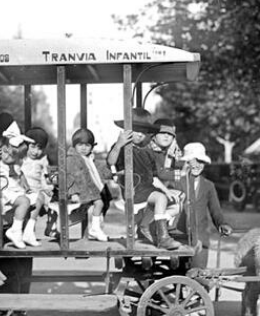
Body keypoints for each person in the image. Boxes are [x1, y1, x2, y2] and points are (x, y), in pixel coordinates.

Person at [107, 110, 183, 250]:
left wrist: (167, 191)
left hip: (147, 189)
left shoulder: (147, 152)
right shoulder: (123, 147)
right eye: (136, 130)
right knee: (159, 199)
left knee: (165, 199)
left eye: (144, 131)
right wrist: (118, 144)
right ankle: (162, 236)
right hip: (132, 190)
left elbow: (154, 177)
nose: (140, 134)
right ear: (127, 130)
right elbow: (111, 161)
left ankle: (161, 235)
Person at [0, 119, 44, 248]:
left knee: (39, 198)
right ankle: (15, 231)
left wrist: (26, 185)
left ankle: (28, 232)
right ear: (2, 147)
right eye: (8, 153)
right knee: (24, 201)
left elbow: (20, 174)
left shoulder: (14, 159)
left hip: (13, 191)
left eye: (14, 155)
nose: (11, 158)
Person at [176, 142, 232, 268]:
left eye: (200, 162)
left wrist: (222, 224)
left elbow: (215, 210)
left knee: (199, 276)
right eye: (193, 161)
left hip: (201, 238)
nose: (197, 165)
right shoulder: (178, 183)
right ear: (187, 163)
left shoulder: (208, 186)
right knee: (179, 277)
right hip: (181, 239)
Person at [66, 128, 113, 241]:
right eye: (80, 145)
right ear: (74, 145)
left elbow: (98, 171)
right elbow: (69, 176)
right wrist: (73, 192)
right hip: (80, 191)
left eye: (87, 145)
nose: (83, 148)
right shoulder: (72, 159)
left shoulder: (90, 159)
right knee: (98, 203)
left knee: (101, 202)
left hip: (89, 191)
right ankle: (95, 228)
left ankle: (96, 227)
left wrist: (111, 174)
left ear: (92, 147)